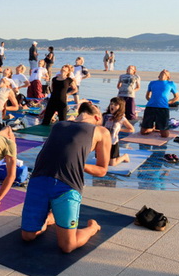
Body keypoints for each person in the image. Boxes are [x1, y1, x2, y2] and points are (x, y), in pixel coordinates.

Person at [21, 102, 111, 252]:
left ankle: (92, 228)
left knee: (67, 246)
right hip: (39, 180)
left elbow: (102, 170)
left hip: (67, 185)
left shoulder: (101, 132)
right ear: (97, 117)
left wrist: (78, 164)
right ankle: (51, 217)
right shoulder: (60, 125)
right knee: (27, 236)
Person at [140, 70, 178, 138]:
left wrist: (168, 102)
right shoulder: (152, 83)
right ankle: (152, 128)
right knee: (143, 132)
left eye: (166, 71)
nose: (164, 71)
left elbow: (177, 97)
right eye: (162, 71)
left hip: (163, 108)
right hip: (150, 107)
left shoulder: (170, 83)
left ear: (168, 76)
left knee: (164, 135)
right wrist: (152, 101)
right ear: (159, 75)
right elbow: (147, 96)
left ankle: (160, 127)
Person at [101, 97, 133, 166]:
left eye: (115, 105)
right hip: (103, 141)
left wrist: (120, 129)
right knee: (102, 162)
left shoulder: (121, 118)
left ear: (120, 107)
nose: (112, 106)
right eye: (111, 104)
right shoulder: (105, 116)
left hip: (113, 142)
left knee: (112, 164)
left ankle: (125, 156)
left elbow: (131, 129)